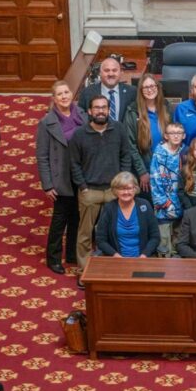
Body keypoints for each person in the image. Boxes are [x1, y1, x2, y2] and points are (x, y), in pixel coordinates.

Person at [69, 95, 133, 270]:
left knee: (114, 232)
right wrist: (82, 187)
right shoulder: (80, 134)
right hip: (90, 191)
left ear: (108, 110)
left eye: (104, 107)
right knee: (85, 234)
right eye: (96, 108)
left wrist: (123, 180)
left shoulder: (118, 129)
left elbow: (125, 155)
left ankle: (111, 268)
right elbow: (74, 163)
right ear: (90, 111)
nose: (100, 111)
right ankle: (84, 269)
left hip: (114, 190)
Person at [36, 81, 85, 273]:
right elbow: (42, 156)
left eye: (66, 92)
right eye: (59, 94)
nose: (64, 96)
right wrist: (47, 185)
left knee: (77, 217)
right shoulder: (46, 122)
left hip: (80, 174)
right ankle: (54, 257)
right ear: (53, 99)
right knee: (60, 219)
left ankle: (72, 253)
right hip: (61, 177)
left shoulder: (82, 114)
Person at [94, 172, 160, 258]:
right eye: (121, 189)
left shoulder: (145, 205)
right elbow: (100, 240)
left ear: (135, 189)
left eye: (129, 188)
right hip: (116, 260)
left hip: (143, 259)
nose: (126, 192)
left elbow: (155, 237)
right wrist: (116, 255)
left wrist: (144, 255)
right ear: (115, 190)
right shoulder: (109, 208)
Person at [123, 73, 171, 193]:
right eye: (146, 87)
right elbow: (130, 145)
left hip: (165, 168)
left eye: (152, 86)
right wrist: (142, 172)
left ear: (158, 87)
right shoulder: (132, 112)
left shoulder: (166, 108)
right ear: (140, 91)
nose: (150, 90)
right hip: (145, 170)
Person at [149, 121, 185, 257]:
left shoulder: (186, 152)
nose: (176, 136)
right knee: (164, 242)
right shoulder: (158, 154)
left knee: (179, 240)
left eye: (179, 133)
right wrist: (165, 202)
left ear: (184, 136)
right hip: (164, 207)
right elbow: (155, 181)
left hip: (181, 204)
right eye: (172, 133)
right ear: (165, 135)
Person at [78, 56, 136, 122]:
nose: (111, 74)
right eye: (106, 70)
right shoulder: (87, 93)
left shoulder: (132, 92)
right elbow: (81, 118)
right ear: (100, 73)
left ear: (120, 72)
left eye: (114, 70)